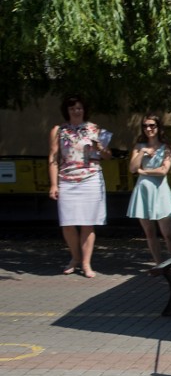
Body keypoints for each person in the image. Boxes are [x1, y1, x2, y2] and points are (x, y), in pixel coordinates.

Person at [48, 94, 111, 278]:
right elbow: (53, 157)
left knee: (87, 223)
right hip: (66, 179)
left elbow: (107, 155)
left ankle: (86, 263)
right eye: (72, 108)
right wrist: (53, 184)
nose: (76, 111)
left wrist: (99, 147)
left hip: (91, 178)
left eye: (79, 108)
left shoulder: (95, 129)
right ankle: (75, 257)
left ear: (84, 110)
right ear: (66, 111)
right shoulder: (58, 130)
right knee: (67, 223)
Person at [127, 114, 171, 264]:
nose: (148, 129)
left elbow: (163, 170)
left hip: (160, 191)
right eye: (145, 126)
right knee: (150, 232)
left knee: (167, 233)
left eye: (152, 125)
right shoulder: (139, 147)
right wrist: (142, 152)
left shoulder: (167, 147)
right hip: (143, 191)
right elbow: (132, 168)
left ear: (158, 127)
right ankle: (158, 263)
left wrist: (144, 172)